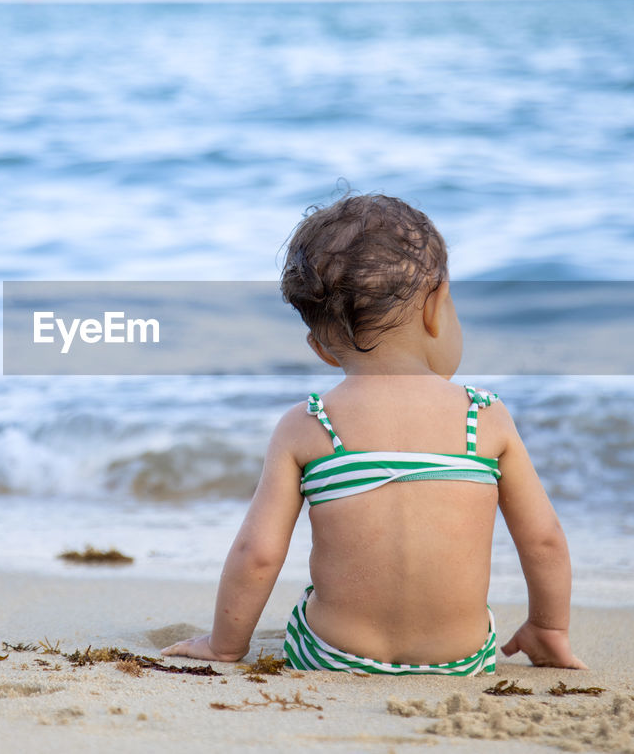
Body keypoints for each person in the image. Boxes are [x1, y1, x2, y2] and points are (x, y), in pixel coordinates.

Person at [163, 194, 585, 674]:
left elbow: (257, 555)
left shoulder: (309, 424)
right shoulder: (483, 417)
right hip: (460, 660)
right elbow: (544, 540)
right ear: (437, 307)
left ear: (320, 348)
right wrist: (548, 629)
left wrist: (224, 647)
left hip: (332, 657)